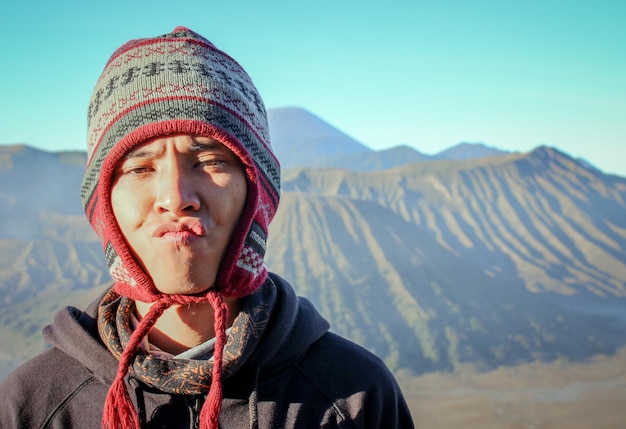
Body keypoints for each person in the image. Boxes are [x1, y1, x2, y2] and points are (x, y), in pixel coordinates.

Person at [0, 27, 414, 429]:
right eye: (140, 167)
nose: (176, 195)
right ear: (102, 202)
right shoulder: (32, 407)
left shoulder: (353, 397)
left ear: (259, 192)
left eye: (212, 161)